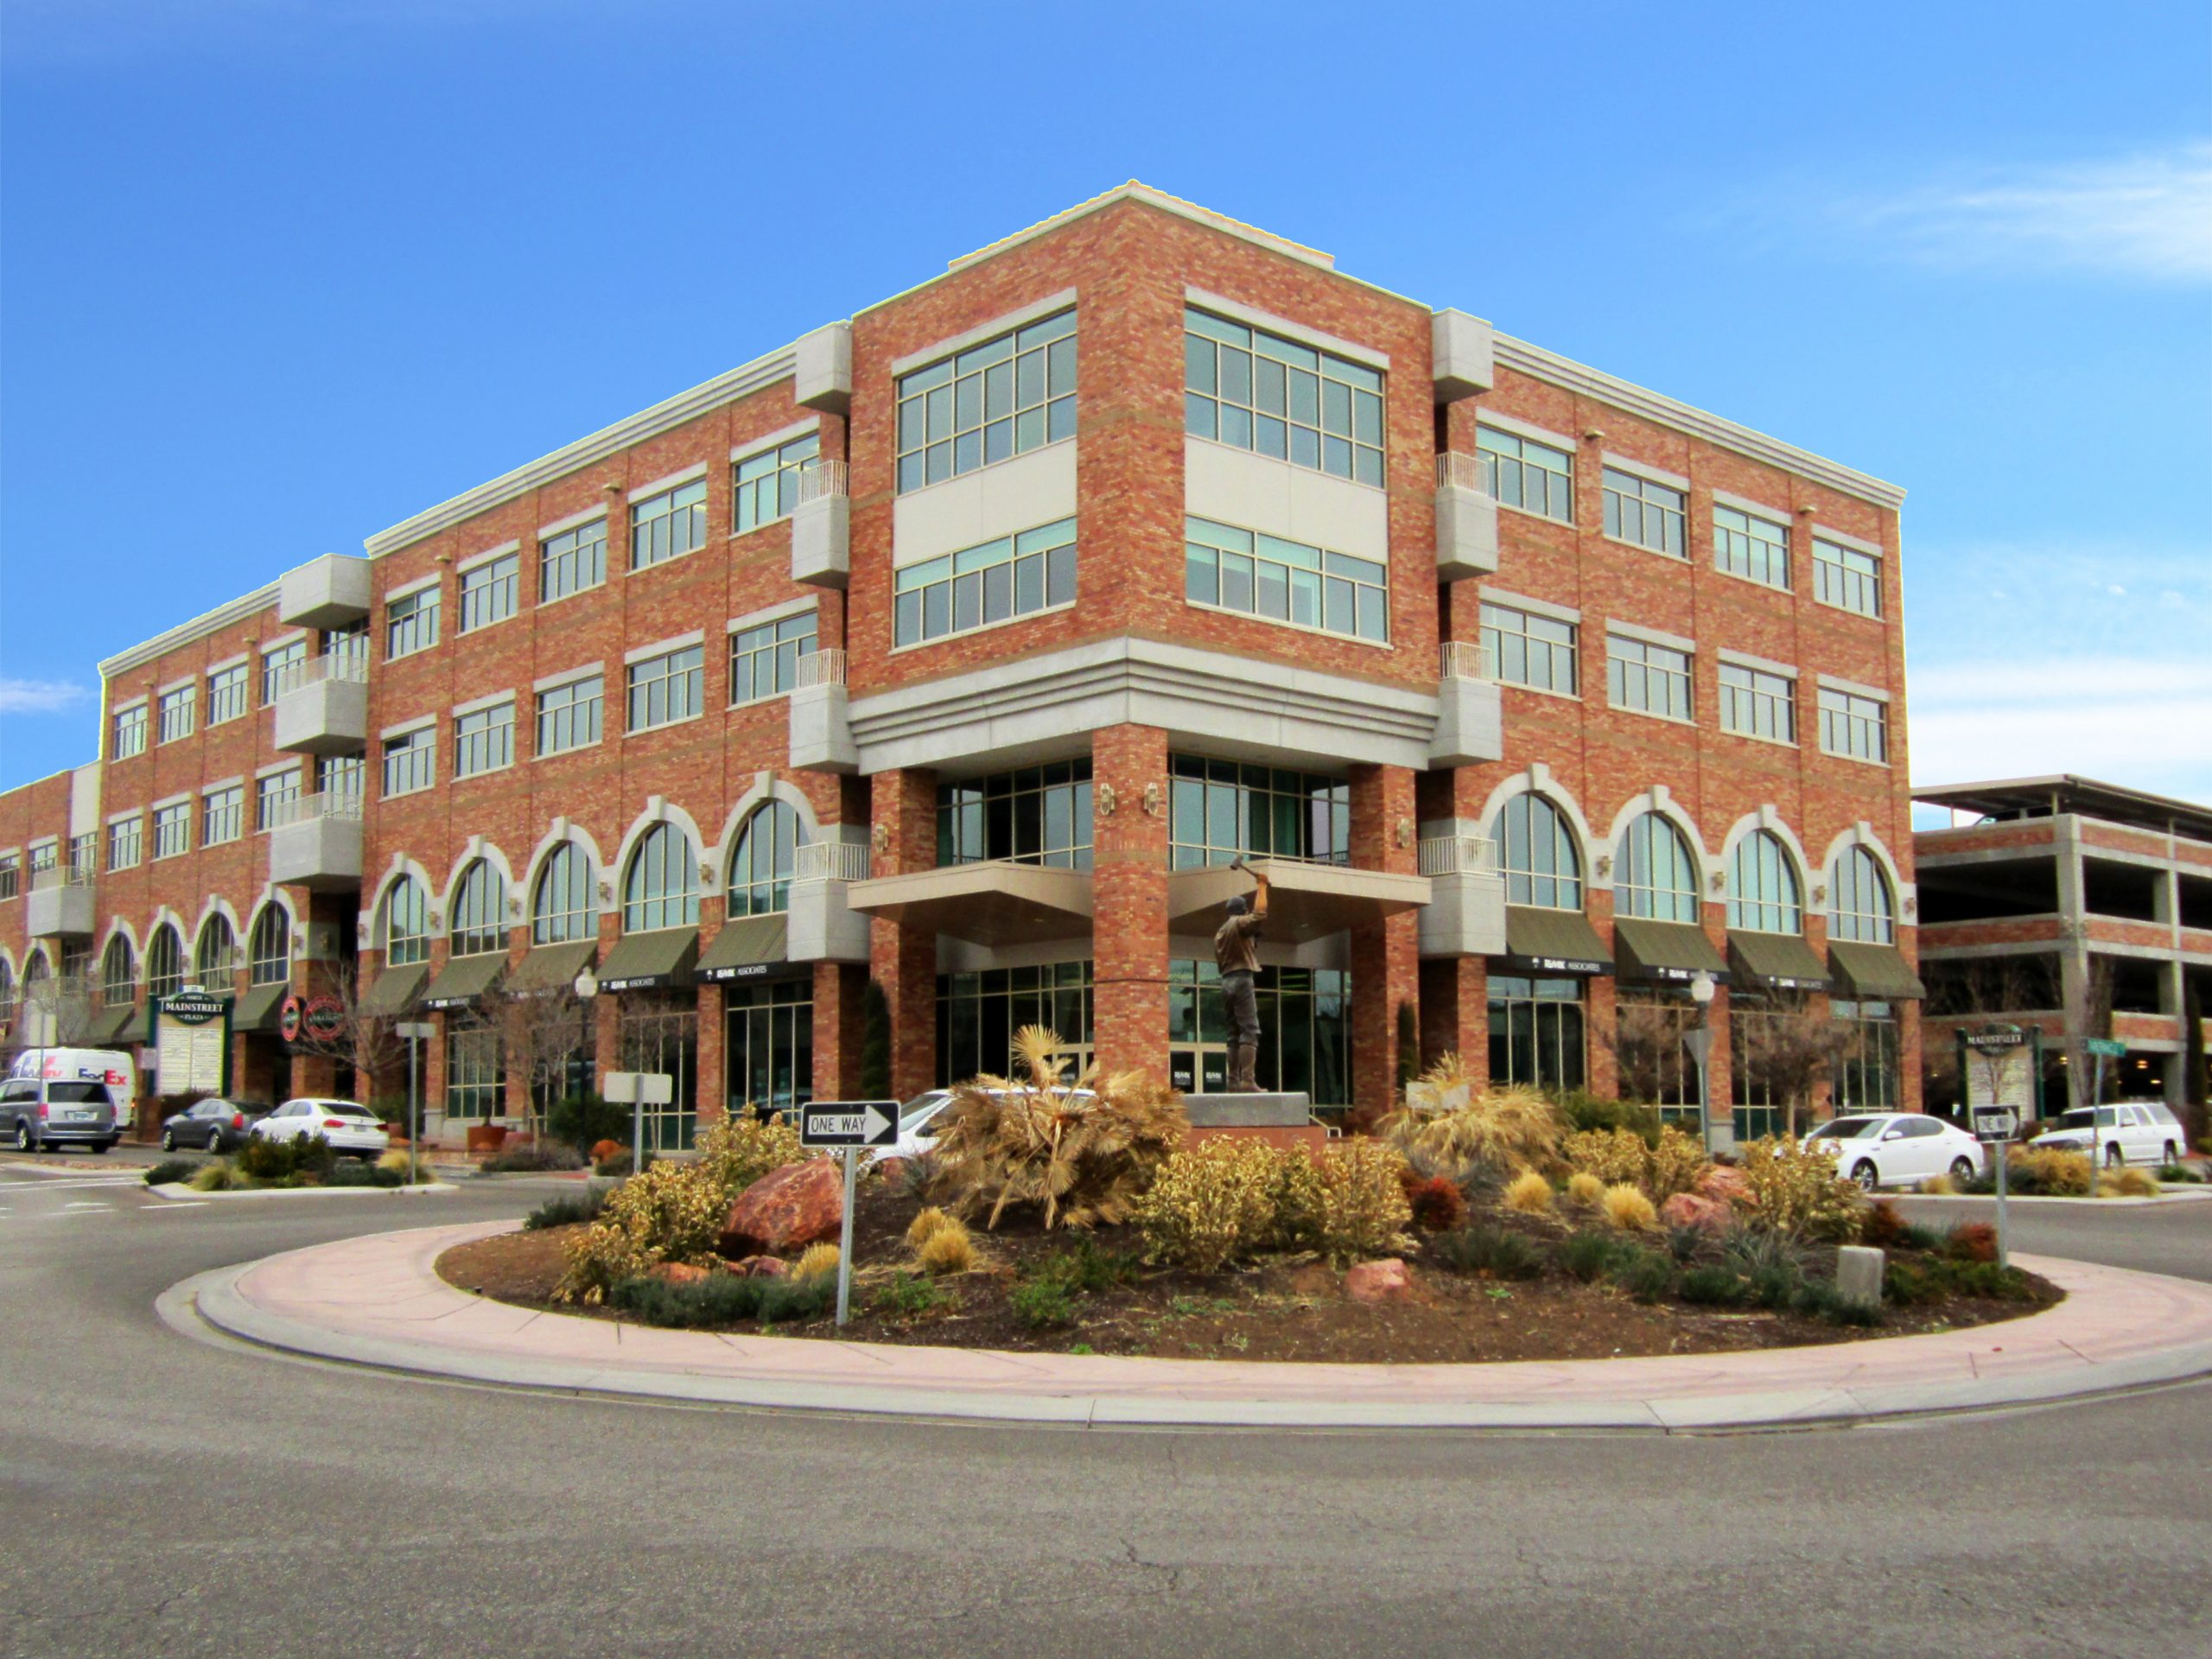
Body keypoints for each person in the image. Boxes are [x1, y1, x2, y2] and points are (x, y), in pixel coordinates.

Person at [1215, 858, 1269, 1093]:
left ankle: (1232, 1082)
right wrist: (1262, 887)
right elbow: (1259, 915)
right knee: (1250, 1029)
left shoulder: (1220, 932)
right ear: (1241, 912)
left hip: (1226, 981)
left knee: (1232, 1033)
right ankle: (1247, 1080)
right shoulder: (1239, 924)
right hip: (1241, 979)